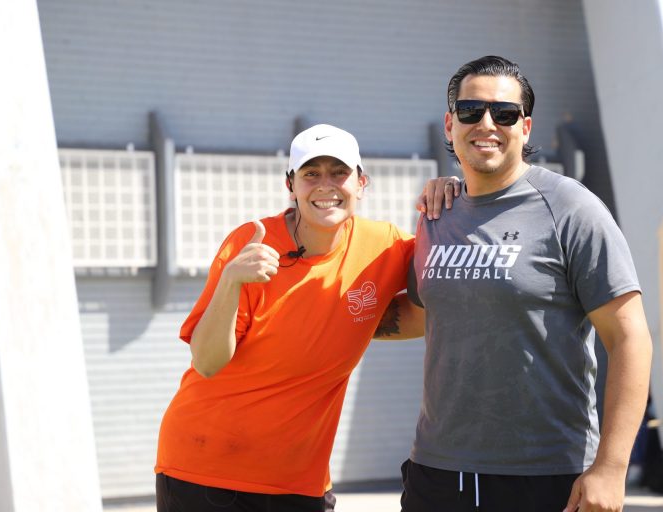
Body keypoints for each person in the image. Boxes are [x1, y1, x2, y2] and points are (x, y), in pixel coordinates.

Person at [401, 55, 653, 512]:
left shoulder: (571, 208)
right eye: (470, 110)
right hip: (436, 471)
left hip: (546, 475)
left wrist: (612, 467)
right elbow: (421, 316)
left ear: (526, 127)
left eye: (504, 113)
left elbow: (630, 336)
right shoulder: (436, 213)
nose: (486, 124)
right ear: (450, 124)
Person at [154, 123, 446, 512]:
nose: (326, 185)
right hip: (204, 470)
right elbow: (207, 362)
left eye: (339, 172)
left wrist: (455, 196)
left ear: (361, 183)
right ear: (290, 185)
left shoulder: (386, 246)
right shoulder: (252, 242)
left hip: (299, 481)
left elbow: (438, 304)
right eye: (311, 174)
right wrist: (231, 281)